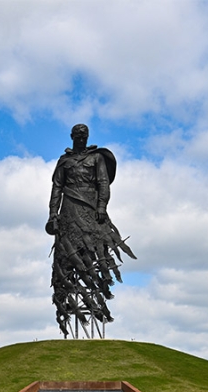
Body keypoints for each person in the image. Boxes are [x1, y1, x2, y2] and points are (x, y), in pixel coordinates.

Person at [46, 123, 136, 337]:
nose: (80, 137)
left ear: (87, 136)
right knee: (68, 257)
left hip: (91, 208)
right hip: (69, 209)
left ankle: (100, 293)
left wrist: (102, 207)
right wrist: (52, 214)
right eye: (77, 134)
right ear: (71, 136)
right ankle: (69, 306)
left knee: (95, 252)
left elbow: (104, 183)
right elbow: (56, 188)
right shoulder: (64, 161)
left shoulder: (96, 158)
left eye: (84, 134)